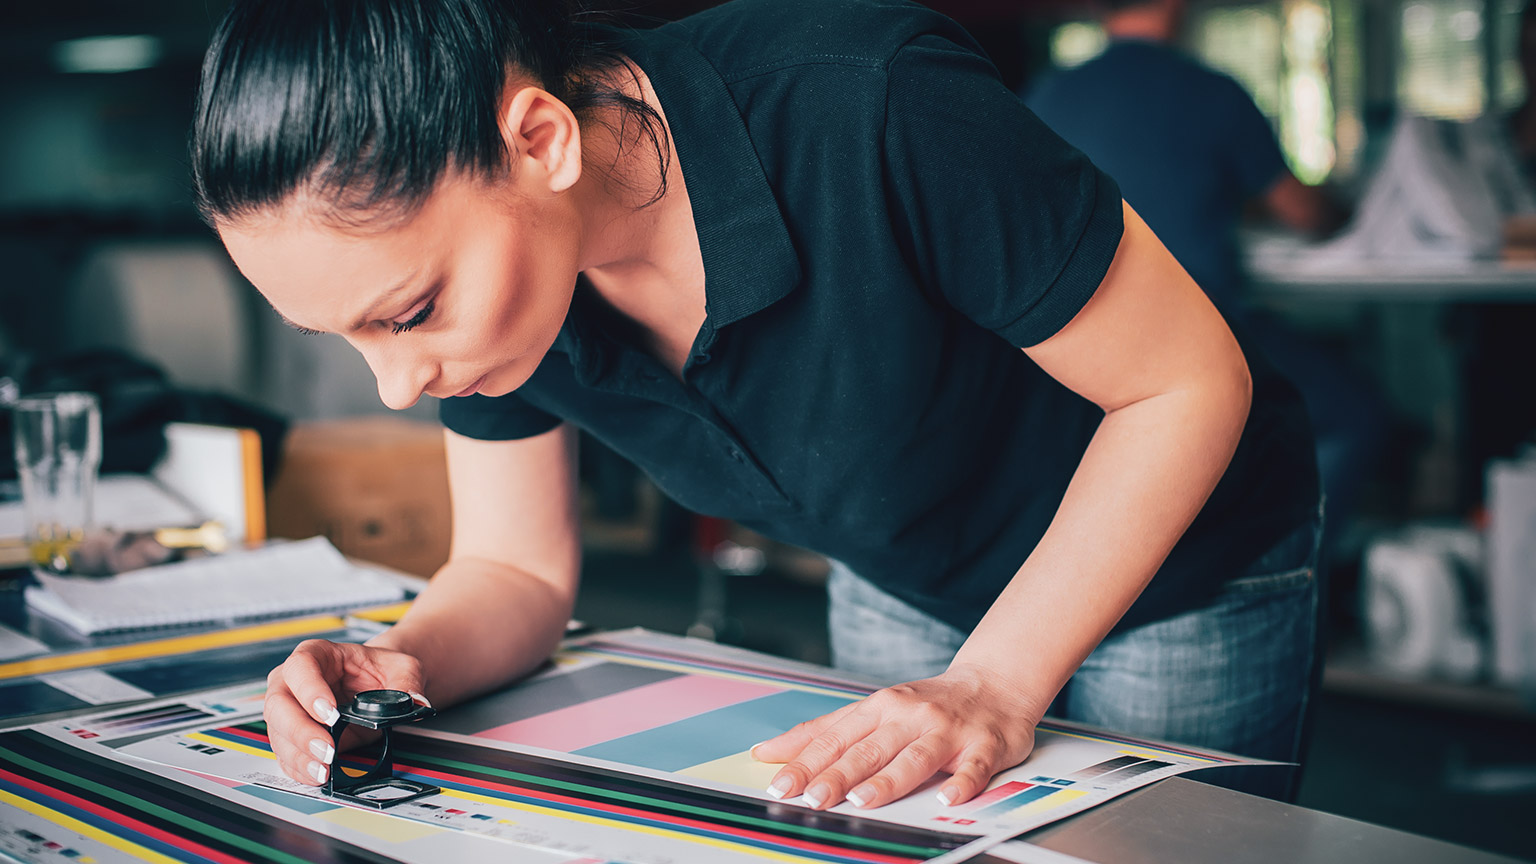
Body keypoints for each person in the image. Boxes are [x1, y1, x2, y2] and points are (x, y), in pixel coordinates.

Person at [193, 0, 1322, 809]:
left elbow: (1183, 384)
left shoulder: (869, 101)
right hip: (906, 564)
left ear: (539, 140)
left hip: (1179, 558)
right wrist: (405, 661)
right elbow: (515, 572)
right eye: (345, 336)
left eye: (410, 310)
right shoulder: (500, 305)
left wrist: (992, 679)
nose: (400, 383)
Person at [1025, 0, 1384, 567]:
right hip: (1202, 334)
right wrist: (1356, 206)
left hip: (1080, 349)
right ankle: (1288, 575)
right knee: (1355, 417)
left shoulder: (1045, 96)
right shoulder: (1211, 92)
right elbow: (1304, 213)